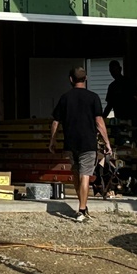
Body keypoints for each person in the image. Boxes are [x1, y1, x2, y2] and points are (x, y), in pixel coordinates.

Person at [48, 66, 112, 222]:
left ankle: (82, 205)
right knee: (85, 176)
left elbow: (55, 122)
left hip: (70, 143)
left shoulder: (65, 98)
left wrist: (52, 141)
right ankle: (82, 210)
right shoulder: (93, 97)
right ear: (86, 79)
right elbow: (99, 122)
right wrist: (107, 142)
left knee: (76, 175)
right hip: (87, 142)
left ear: (71, 79)